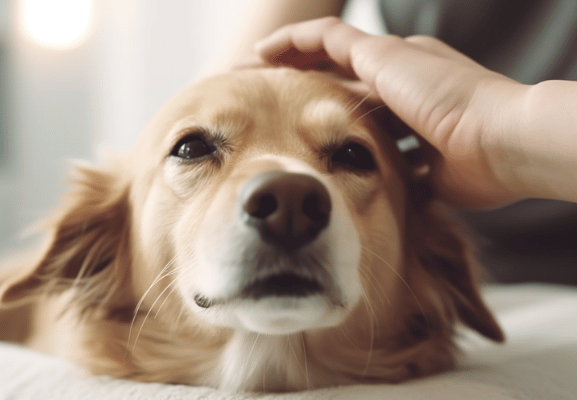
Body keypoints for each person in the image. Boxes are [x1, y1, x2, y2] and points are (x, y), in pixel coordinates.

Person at [213, 0, 577, 284]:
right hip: (471, 247)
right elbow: (242, 82)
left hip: (442, 254)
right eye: (196, 150)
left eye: (351, 155)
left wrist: (494, 125)